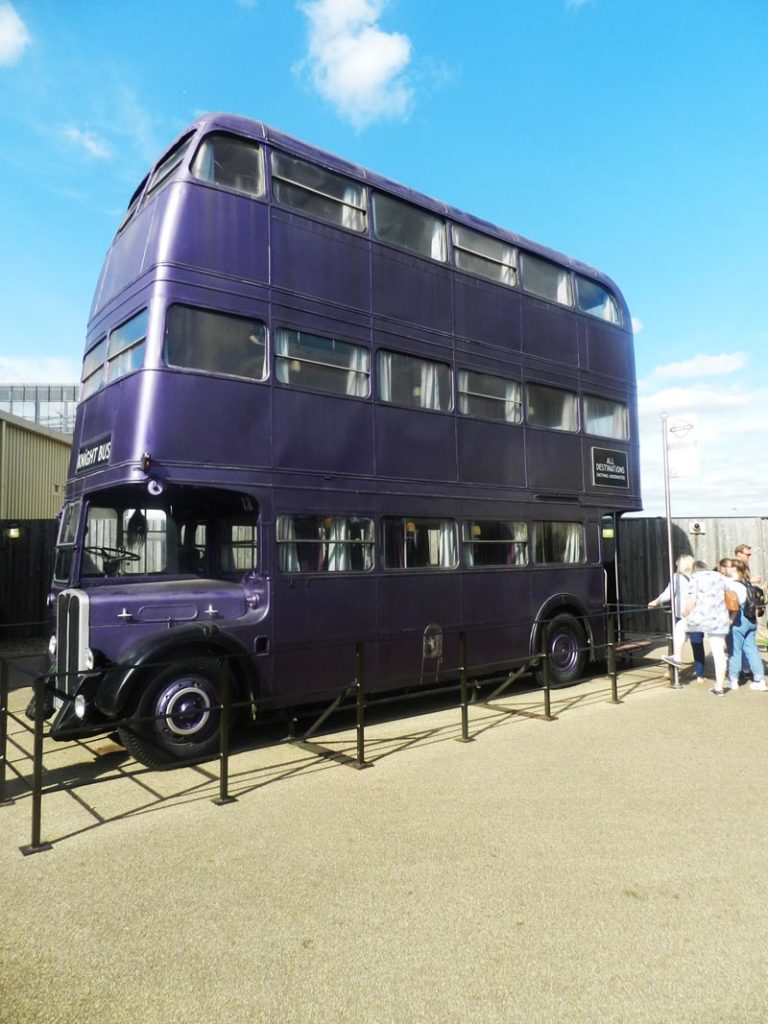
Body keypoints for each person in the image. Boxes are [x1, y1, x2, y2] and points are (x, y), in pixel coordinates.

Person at [674, 560, 731, 696]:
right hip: (720, 618)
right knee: (719, 653)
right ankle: (719, 687)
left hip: (702, 617)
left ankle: (677, 657)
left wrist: (685, 612)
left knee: (680, 625)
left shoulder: (695, 577)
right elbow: (729, 592)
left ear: (695, 569)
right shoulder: (719, 576)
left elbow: (692, 599)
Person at [650, 554, 706, 681]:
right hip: (697, 615)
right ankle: (700, 675)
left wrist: (656, 601)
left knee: (676, 643)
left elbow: (667, 595)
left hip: (681, 615)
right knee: (697, 645)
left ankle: (673, 671)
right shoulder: (698, 577)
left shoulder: (677, 577)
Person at [725, 560, 767, 691]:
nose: (727, 569)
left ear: (735, 569)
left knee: (735, 651)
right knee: (752, 650)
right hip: (751, 620)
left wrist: (729, 621)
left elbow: (732, 606)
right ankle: (760, 681)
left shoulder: (732, 585)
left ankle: (733, 680)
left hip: (737, 621)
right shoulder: (747, 584)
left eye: (729, 567)